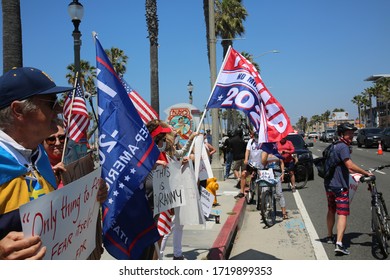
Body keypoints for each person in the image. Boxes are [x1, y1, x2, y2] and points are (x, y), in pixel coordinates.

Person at [0, 67, 107, 260]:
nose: (59, 109)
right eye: (51, 103)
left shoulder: (38, 156)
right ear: (18, 110)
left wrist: (90, 195)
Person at [324, 122, 372, 255]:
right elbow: (349, 165)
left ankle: (329, 236)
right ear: (341, 134)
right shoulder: (343, 147)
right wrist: (365, 173)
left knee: (331, 209)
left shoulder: (334, 145)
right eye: (348, 134)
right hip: (339, 186)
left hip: (329, 185)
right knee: (342, 213)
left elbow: (341, 167)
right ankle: (339, 243)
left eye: (352, 134)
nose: (351, 136)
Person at [234, 131, 263, 199]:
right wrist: (246, 159)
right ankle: (242, 192)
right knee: (244, 174)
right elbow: (247, 151)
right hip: (251, 163)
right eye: (255, 137)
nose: (256, 138)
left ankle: (263, 194)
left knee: (262, 178)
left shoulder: (263, 142)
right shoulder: (251, 141)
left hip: (260, 164)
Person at [261, 148, 288, 220]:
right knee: (264, 191)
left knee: (279, 193)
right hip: (267, 174)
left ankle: (284, 213)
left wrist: (283, 173)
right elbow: (262, 163)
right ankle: (265, 210)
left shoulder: (277, 152)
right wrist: (265, 156)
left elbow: (281, 162)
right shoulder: (264, 153)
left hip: (276, 174)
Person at [229, 128, 247, 193]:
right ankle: (243, 180)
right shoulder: (242, 141)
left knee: (235, 169)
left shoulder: (232, 140)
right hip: (243, 157)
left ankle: (239, 178)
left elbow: (230, 148)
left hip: (236, 157)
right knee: (244, 171)